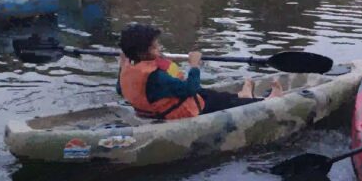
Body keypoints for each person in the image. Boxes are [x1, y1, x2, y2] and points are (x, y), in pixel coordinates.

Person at [117, 24, 283, 119]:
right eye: (154, 47)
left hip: (156, 107)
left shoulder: (129, 68)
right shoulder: (156, 77)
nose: (159, 48)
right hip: (181, 111)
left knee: (210, 94)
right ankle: (268, 101)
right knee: (220, 102)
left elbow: (120, 89)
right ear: (141, 53)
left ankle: (242, 95)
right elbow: (191, 89)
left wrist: (122, 64)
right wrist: (194, 65)